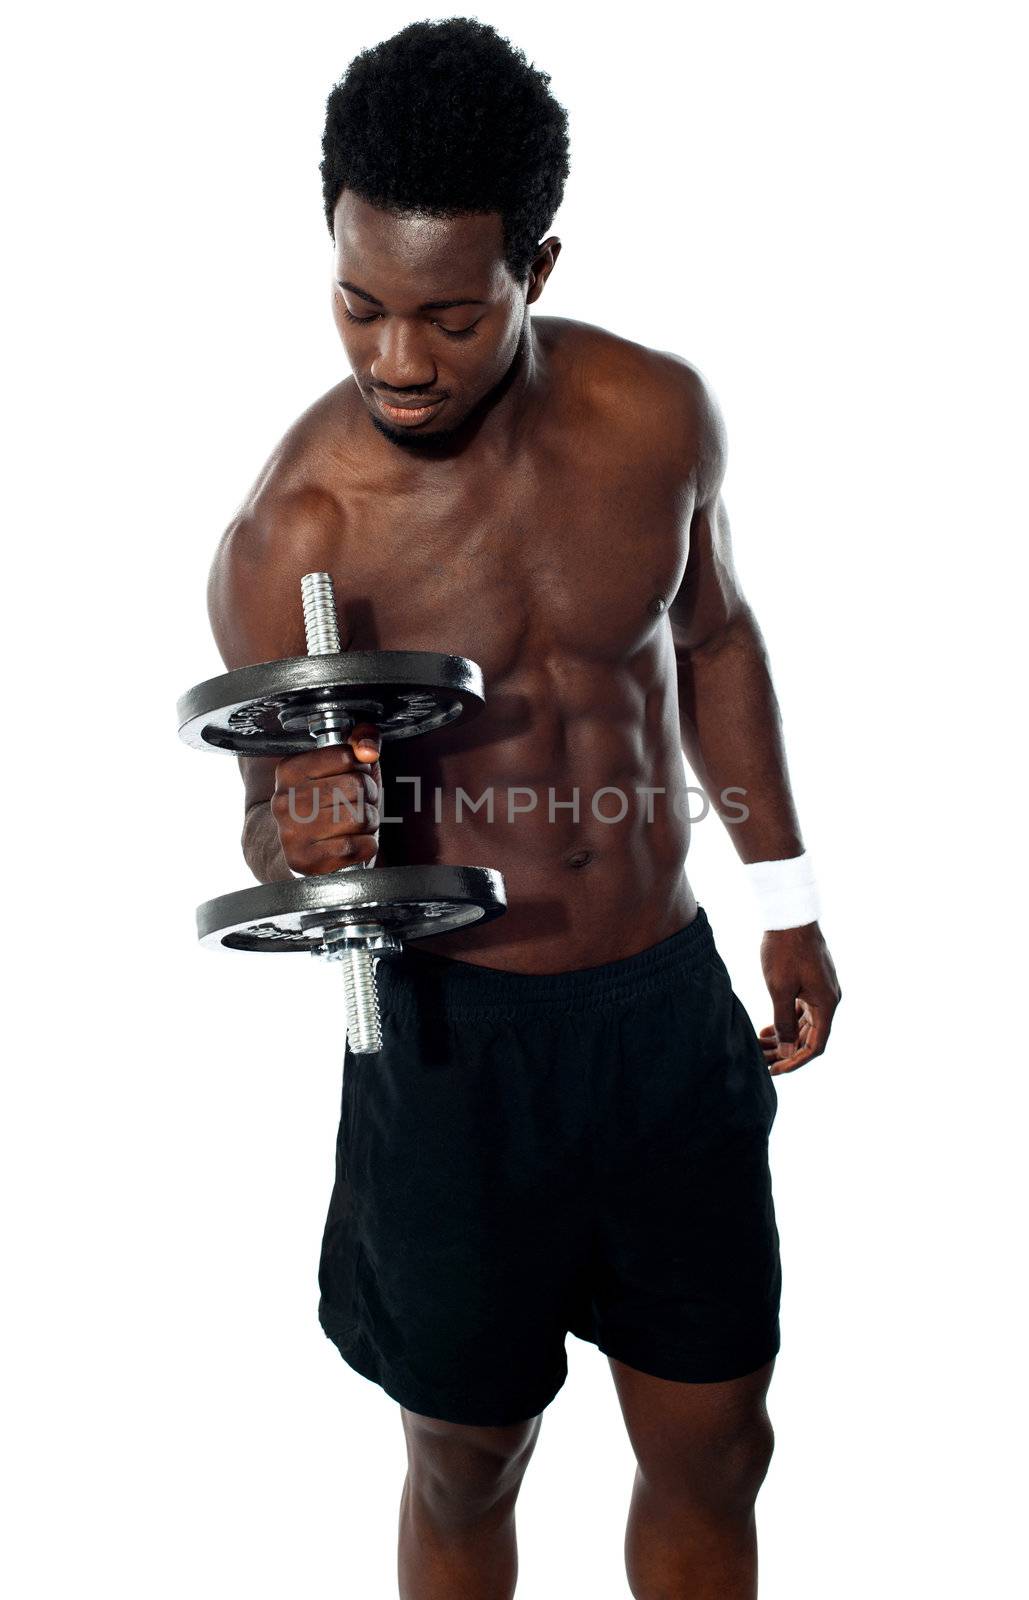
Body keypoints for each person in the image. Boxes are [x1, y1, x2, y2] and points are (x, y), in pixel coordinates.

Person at [206, 17, 842, 1599]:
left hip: (660, 1015)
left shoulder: (657, 419)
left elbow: (713, 641)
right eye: (359, 304)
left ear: (535, 269)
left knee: (716, 1441)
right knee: (466, 1457)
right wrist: (299, 828)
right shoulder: (298, 533)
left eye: (447, 315)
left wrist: (789, 901)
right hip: (450, 1051)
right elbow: (268, 817)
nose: (397, 361)